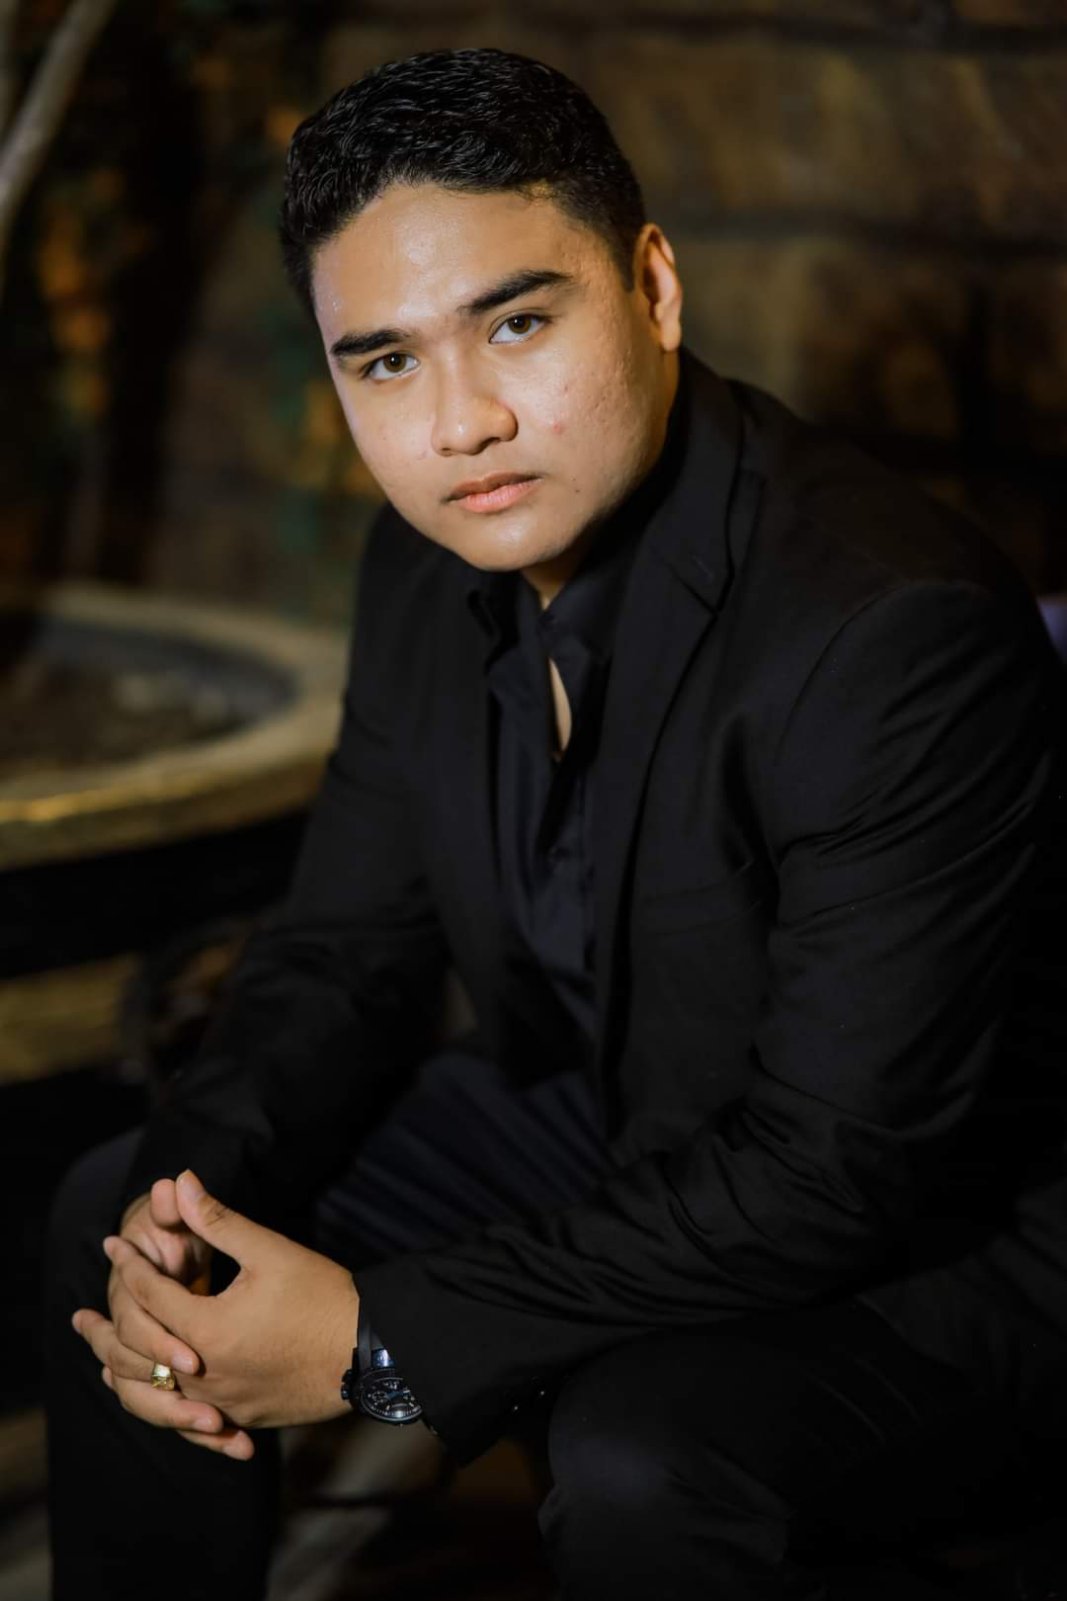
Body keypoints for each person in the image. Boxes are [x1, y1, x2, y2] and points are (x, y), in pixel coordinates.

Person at [45, 46, 1067, 1601]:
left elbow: (833, 1169)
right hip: (622, 1108)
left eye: (517, 323)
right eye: (384, 362)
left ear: (653, 287)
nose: (459, 423)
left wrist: (376, 1342)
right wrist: (173, 1228)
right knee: (127, 1215)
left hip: (959, 1232)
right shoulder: (426, 564)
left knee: (642, 1452)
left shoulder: (888, 627)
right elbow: (343, 952)